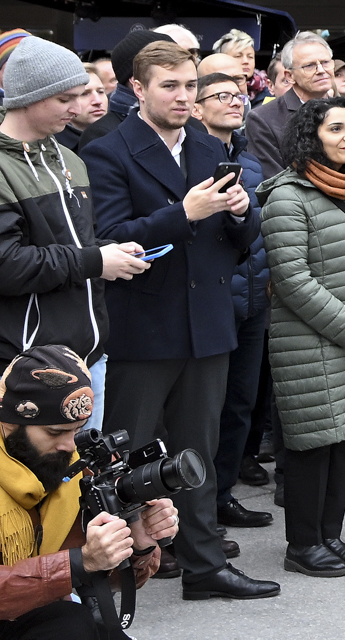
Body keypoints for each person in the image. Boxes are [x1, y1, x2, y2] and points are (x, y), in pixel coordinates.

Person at [81, 41, 274, 600]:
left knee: (200, 453)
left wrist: (242, 214)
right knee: (126, 454)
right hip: (144, 325)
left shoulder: (210, 150)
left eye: (191, 86)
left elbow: (239, 243)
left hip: (208, 322)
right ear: (138, 90)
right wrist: (183, 213)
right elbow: (111, 239)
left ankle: (204, 565)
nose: (184, 97)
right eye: (171, 86)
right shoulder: (108, 150)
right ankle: (112, 569)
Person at [0, 347, 191, 640]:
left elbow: (90, 577)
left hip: (21, 616)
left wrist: (138, 542)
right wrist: (79, 562)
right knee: (65, 624)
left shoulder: (64, 469)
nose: (69, 445)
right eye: (55, 433)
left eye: (76, 432)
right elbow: (71, 569)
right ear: (8, 421)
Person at [258, 100, 345, 576]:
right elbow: (292, 278)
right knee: (312, 444)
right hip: (312, 342)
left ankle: (330, 536)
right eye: (335, 128)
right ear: (310, 137)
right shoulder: (286, 196)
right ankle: (302, 545)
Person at [0, 42, 151, 412]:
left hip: (88, 356)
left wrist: (109, 250)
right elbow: (8, 265)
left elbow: (75, 241)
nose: (79, 108)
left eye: (82, 95)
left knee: (82, 470)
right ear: (30, 97)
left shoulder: (69, 158)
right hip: (25, 362)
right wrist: (95, 261)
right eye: (67, 98)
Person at [191, 70, 274, 540]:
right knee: (204, 408)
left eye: (239, 95)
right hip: (212, 297)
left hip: (251, 298)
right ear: (197, 107)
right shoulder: (191, 158)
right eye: (220, 96)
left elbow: (257, 229)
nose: (234, 102)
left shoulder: (250, 159)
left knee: (240, 403)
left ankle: (222, 495)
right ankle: (197, 506)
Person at [245, 31, 337, 178]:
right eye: (309, 65)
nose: (321, 70)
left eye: (325, 62)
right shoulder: (263, 119)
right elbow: (274, 182)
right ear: (289, 76)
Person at [76, 28, 168, 149]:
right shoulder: (102, 134)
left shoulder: (192, 128)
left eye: (190, 85)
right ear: (136, 82)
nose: (183, 96)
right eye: (169, 84)